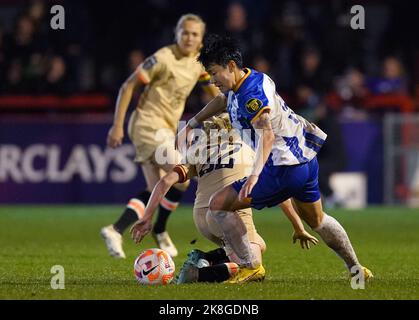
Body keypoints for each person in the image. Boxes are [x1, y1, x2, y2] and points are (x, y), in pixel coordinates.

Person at [176, 34, 373, 283]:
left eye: (214, 73)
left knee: (217, 205)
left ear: (231, 66)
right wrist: (191, 123)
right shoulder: (247, 79)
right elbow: (222, 101)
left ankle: (250, 266)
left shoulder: (251, 95)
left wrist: (255, 175)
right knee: (318, 220)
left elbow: (266, 133)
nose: (212, 80)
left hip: (283, 168)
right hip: (306, 161)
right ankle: (356, 268)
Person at [130, 114, 319, 283]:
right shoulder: (250, 145)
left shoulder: (198, 148)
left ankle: (205, 257)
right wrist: (298, 226)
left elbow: (164, 182)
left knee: (260, 244)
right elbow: (277, 193)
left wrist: (147, 217)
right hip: (230, 212)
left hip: (201, 218)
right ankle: (197, 274)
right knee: (253, 271)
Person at [100, 14, 219, 258]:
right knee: (182, 174)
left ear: (201, 39)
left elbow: (216, 92)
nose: (189, 37)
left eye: (194, 34)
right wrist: (117, 125)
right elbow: (128, 86)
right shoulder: (163, 58)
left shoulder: (198, 63)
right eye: (184, 32)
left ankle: (115, 230)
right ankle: (161, 229)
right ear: (176, 34)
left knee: (155, 187)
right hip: (146, 124)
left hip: (165, 128)